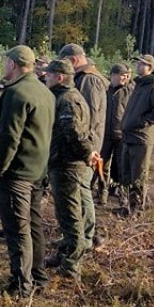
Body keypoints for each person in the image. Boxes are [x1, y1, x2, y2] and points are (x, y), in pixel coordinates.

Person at [0, 46, 54, 295]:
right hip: (37, 171)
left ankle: (20, 286)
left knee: (17, 230)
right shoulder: (45, 91)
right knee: (33, 226)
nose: (4, 66)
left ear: (13, 64)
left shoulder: (16, 93)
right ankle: (38, 277)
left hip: (17, 173)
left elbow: (10, 136)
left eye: (5, 62)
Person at [43, 58, 93, 279]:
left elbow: (74, 133)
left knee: (72, 217)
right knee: (64, 215)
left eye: (50, 74)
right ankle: (64, 253)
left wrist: (87, 153)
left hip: (68, 166)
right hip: (61, 163)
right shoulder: (63, 97)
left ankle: (71, 266)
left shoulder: (68, 100)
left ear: (60, 77)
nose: (46, 77)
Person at [59, 44, 107, 250]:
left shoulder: (89, 80)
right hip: (81, 145)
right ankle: (76, 236)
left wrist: (89, 149)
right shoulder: (83, 78)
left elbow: (90, 117)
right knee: (76, 192)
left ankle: (86, 238)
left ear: (73, 60)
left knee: (82, 190)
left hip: (86, 146)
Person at [120, 54, 154, 214]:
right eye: (138, 63)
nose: (138, 66)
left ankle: (137, 210)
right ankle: (129, 207)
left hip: (141, 138)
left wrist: (139, 123)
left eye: (142, 64)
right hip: (129, 136)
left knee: (138, 175)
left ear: (150, 67)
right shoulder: (138, 85)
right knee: (127, 174)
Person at [95, 62, 133, 205]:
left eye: (126, 75)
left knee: (122, 167)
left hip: (122, 135)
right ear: (113, 75)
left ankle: (122, 195)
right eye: (121, 75)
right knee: (101, 165)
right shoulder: (105, 90)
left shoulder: (130, 91)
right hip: (105, 134)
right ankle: (102, 192)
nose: (124, 78)